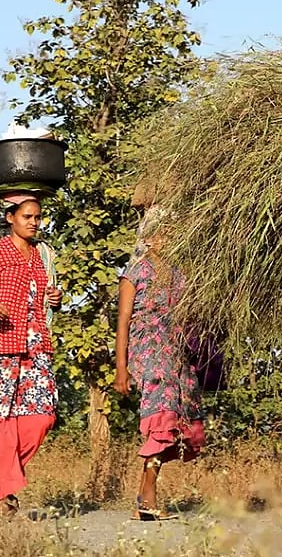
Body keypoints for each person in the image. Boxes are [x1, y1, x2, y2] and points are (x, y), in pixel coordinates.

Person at [0, 193, 61, 518]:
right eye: (26, 217)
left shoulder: (42, 256)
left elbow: (46, 300)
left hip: (37, 348)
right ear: (10, 218)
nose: (33, 222)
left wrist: (56, 298)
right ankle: (2, 493)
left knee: (41, 418)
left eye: (37, 217)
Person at [114, 211, 205, 521]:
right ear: (149, 240)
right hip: (149, 351)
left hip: (178, 353)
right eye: (163, 234)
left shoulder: (182, 274)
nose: (169, 239)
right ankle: (149, 494)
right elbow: (123, 322)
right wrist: (121, 368)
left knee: (190, 432)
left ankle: (144, 490)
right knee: (163, 418)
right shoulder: (135, 272)